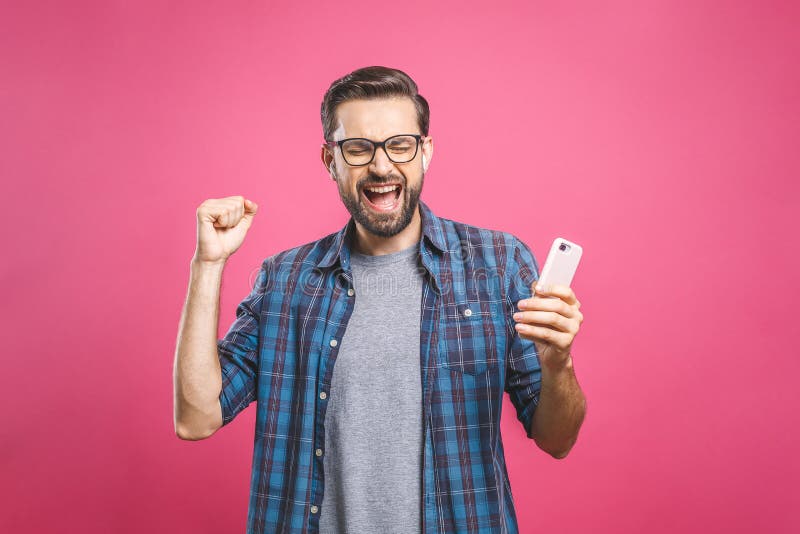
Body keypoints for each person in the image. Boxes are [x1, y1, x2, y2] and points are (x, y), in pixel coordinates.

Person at [173, 66, 587, 534]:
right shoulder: (285, 282)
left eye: (400, 144)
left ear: (425, 152)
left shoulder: (498, 265)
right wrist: (207, 266)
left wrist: (559, 366)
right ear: (330, 161)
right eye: (358, 148)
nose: (382, 166)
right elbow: (196, 416)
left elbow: (557, 440)